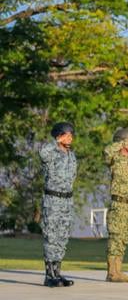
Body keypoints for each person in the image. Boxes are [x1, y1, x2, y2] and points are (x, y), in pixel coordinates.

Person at [39, 122, 77, 287]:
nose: (70, 138)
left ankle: (58, 273)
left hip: (67, 200)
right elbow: (42, 153)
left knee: (62, 237)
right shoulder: (50, 152)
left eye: (71, 135)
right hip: (53, 201)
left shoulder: (71, 155)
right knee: (52, 237)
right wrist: (56, 141)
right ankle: (49, 275)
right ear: (58, 135)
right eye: (66, 134)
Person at [104, 128, 128, 283]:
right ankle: (112, 272)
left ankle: (118, 270)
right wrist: (119, 144)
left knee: (124, 239)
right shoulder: (114, 157)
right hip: (118, 203)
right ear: (122, 141)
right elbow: (106, 151)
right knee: (116, 237)